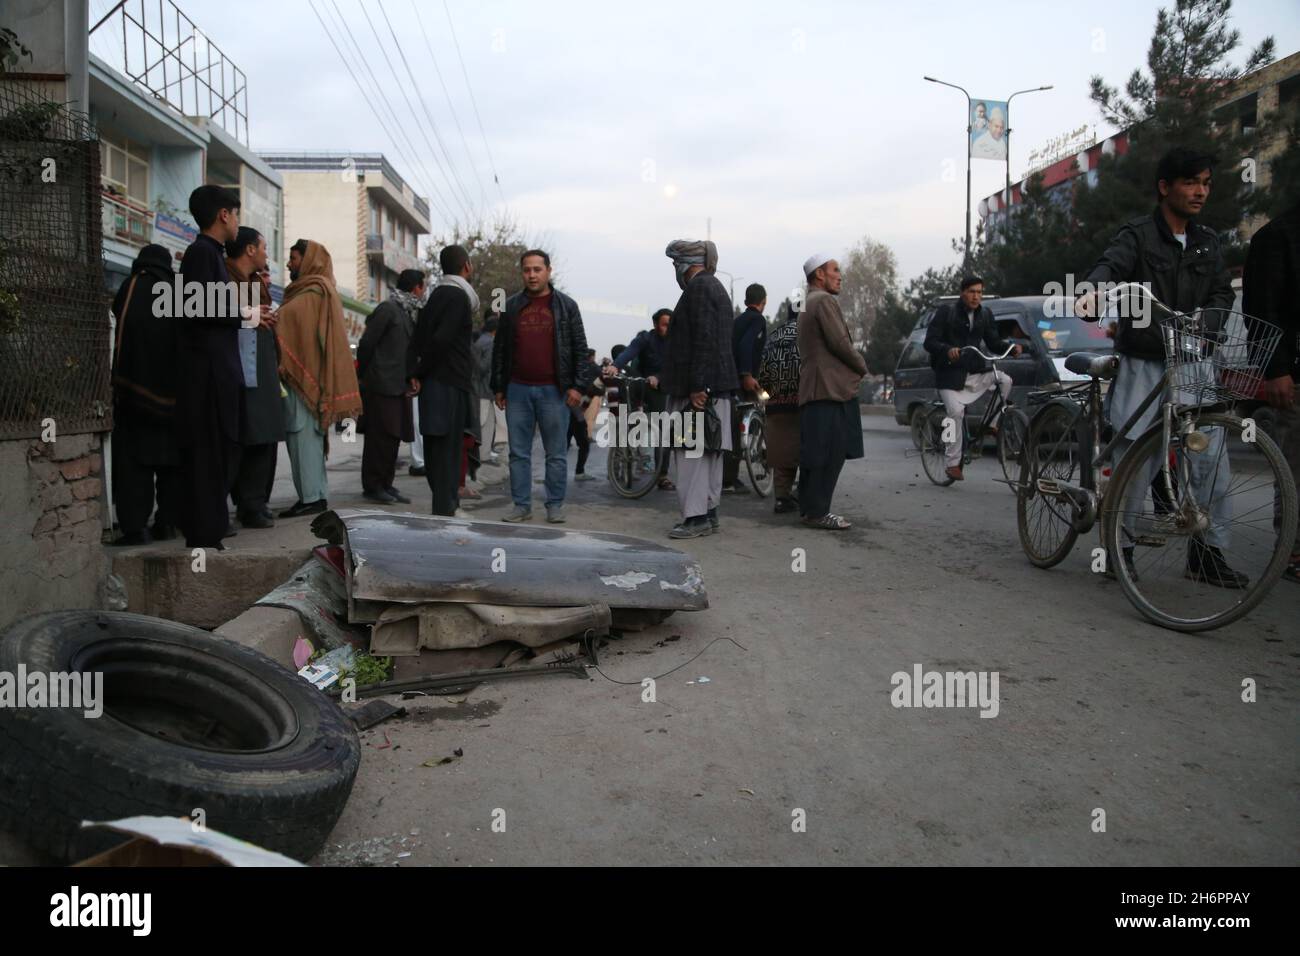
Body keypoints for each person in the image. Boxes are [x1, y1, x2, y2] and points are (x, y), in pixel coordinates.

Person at [1077, 146, 1241, 586]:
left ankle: (1208, 554)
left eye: (1206, 183)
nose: (1200, 192)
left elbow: (1222, 293)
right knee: (1137, 459)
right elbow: (1109, 267)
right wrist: (1092, 292)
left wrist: (1209, 319)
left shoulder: (1208, 241)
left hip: (1195, 364)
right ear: (1165, 187)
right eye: (1190, 182)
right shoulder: (1137, 235)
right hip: (1146, 362)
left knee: (1212, 464)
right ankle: (1120, 547)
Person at [490, 249, 589, 523]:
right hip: (517, 390)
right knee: (518, 453)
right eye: (527, 270)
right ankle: (521, 505)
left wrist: (577, 387)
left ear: (548, 271)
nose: (532, 275)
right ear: (522, 272)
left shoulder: (566, 306)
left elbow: (580, 349)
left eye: (537, 269)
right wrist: (499, 386)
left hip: (554, 391)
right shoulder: (509, 307)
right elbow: (500, 350)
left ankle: (554, 505)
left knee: (556, 453)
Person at [176, 185, 243, 549]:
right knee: (207, 456)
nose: (237, 223)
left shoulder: (210, 254)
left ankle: (210, 530)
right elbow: (203, 310)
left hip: (214, 377)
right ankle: (204, 535)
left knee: (218, 455)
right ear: (223, 215)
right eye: (236, 214)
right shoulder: (201, 254)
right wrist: (243, 313)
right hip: (207, 381)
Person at [276, 239, 361, 517]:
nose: (289, 263)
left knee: (302, 439)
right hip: (311, 381)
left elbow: (285, 321)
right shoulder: (319, 290)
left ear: (309, 260)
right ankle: (316, 495)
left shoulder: (314, 293)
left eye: (294, 258)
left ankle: (311, 498)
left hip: (305, 382)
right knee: (309, 442)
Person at [661, 239, 738, 538]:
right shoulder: (714, 286)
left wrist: (696, 386)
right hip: (714, 389)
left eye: (673, 264)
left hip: (697, 392)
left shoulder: (700, 288)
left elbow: (703, 339)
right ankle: (709, 513)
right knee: (707, 456)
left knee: (690, 456)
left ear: (683, 264)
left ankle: (695, 518)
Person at [1242, 202, 1300, 584]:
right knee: (1295, 463)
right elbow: (1262, 311)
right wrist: (1276, 370)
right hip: (1293, 374)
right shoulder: (1278, 237)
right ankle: (1292, 548)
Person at [109, 244, 180, 545]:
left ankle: (135, 528)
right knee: (171, 465)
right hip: (174, 398)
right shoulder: (176, 290)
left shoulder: (133, 285)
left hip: (134, 394)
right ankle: (167, 524)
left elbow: (120, 316)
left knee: (133, 465)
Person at [922, 275, 1021, 481]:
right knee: (955, 413)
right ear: (962, 292)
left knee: (1005, 380)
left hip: (974, 372)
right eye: (971, 292)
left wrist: (1012, 348)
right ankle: (951, 464)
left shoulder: (985, 314)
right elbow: (929, 342)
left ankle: (993, 424)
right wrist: (947, 349)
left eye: (979, 292)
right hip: (949, 376)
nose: (976, 296)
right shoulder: (946, 312)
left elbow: (993, 342)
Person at [797, 253, 866, 530]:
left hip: (815, 388)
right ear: (819, 275)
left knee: (815, 453)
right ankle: (818, 512)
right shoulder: (823, 301)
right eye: (835, 270)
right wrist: (862, 364)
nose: (840, 275)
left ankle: (809, 508)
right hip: (827, 389)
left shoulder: (806, 302)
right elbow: (839, 343)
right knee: (831, 453)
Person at [408, 245, 477, 517]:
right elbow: (441, 340)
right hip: (448, 382)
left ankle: (445, 505)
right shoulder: (458, 296)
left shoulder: (434, 295)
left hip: (433, 384)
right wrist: (421, 372)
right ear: (467, 266)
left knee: (436, 447)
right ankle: (446, 509)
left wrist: (414, 373)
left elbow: (419, 339)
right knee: (448, 448)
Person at [224, 226, 283, 528]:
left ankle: (254, 502)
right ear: (249, 249)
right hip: (237, 372)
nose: (265, 254)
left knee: (263, 437)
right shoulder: (225, 280)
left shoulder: (255, 282)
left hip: (262, 371)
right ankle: (240, 503)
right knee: (239, 441)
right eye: (263, 247)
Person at [357, 268, 423, 505]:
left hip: (397, 385)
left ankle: (386, 483)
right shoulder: (387, 309)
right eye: (422, 288)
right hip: (380, 384)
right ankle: (373, 485)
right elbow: (367, 344)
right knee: (379, 437)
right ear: (416, 287)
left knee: (393, 437)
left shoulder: (406, 312)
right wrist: (367, 375)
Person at [606, 308, 674, 490]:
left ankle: (662, 475)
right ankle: (624, 454)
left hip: (661, 387)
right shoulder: (645, 338)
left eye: (670, 324)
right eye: (664, 324)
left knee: (663, 432)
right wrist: (615, 366)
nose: (668, 328)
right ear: (655, 324)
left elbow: (674, 367)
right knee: (629, 420)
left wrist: (658, 377)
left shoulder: (677, 343)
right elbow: (630, 351)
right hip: (641, 385)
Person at [723, 283, 768, 493]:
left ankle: (729, 479)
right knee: (765, 404)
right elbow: (746, 346)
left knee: (733, 428)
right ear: (763, 302)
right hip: (743, 380)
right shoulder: (757, 319)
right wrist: (747, 374)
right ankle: (762, 455)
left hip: (730, 379)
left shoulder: (738, 320)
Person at [757, 309, 800, 514]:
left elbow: (762, 372)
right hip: (803, 402)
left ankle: (782, 498)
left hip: (776, 403)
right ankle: (805, 495)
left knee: (782, 452)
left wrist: (772, 391)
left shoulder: (775, 336)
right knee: (805, 450)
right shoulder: (808, 334)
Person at [473, 313, 501, 464]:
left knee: (484, 422)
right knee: (486, 424)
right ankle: (483, 455)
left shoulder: (480, 340)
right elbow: (484, 368)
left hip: (478, 389)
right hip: (484, 390)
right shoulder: (490, 343)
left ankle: (482, 454)